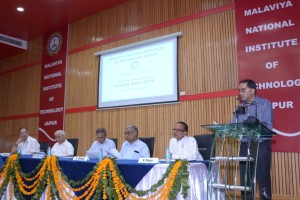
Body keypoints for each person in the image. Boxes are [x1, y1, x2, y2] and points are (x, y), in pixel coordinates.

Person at [231, 79, 273, 200]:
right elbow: (234, 124)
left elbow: (268, 126)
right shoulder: (240, 107)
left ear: (252, 90)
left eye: (243, 90)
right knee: (245, 180)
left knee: (263, 178)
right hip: (245, 145)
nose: (240, 93)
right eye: (239, 90)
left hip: (260, 144)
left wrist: (255, 123)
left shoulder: (264, 103)